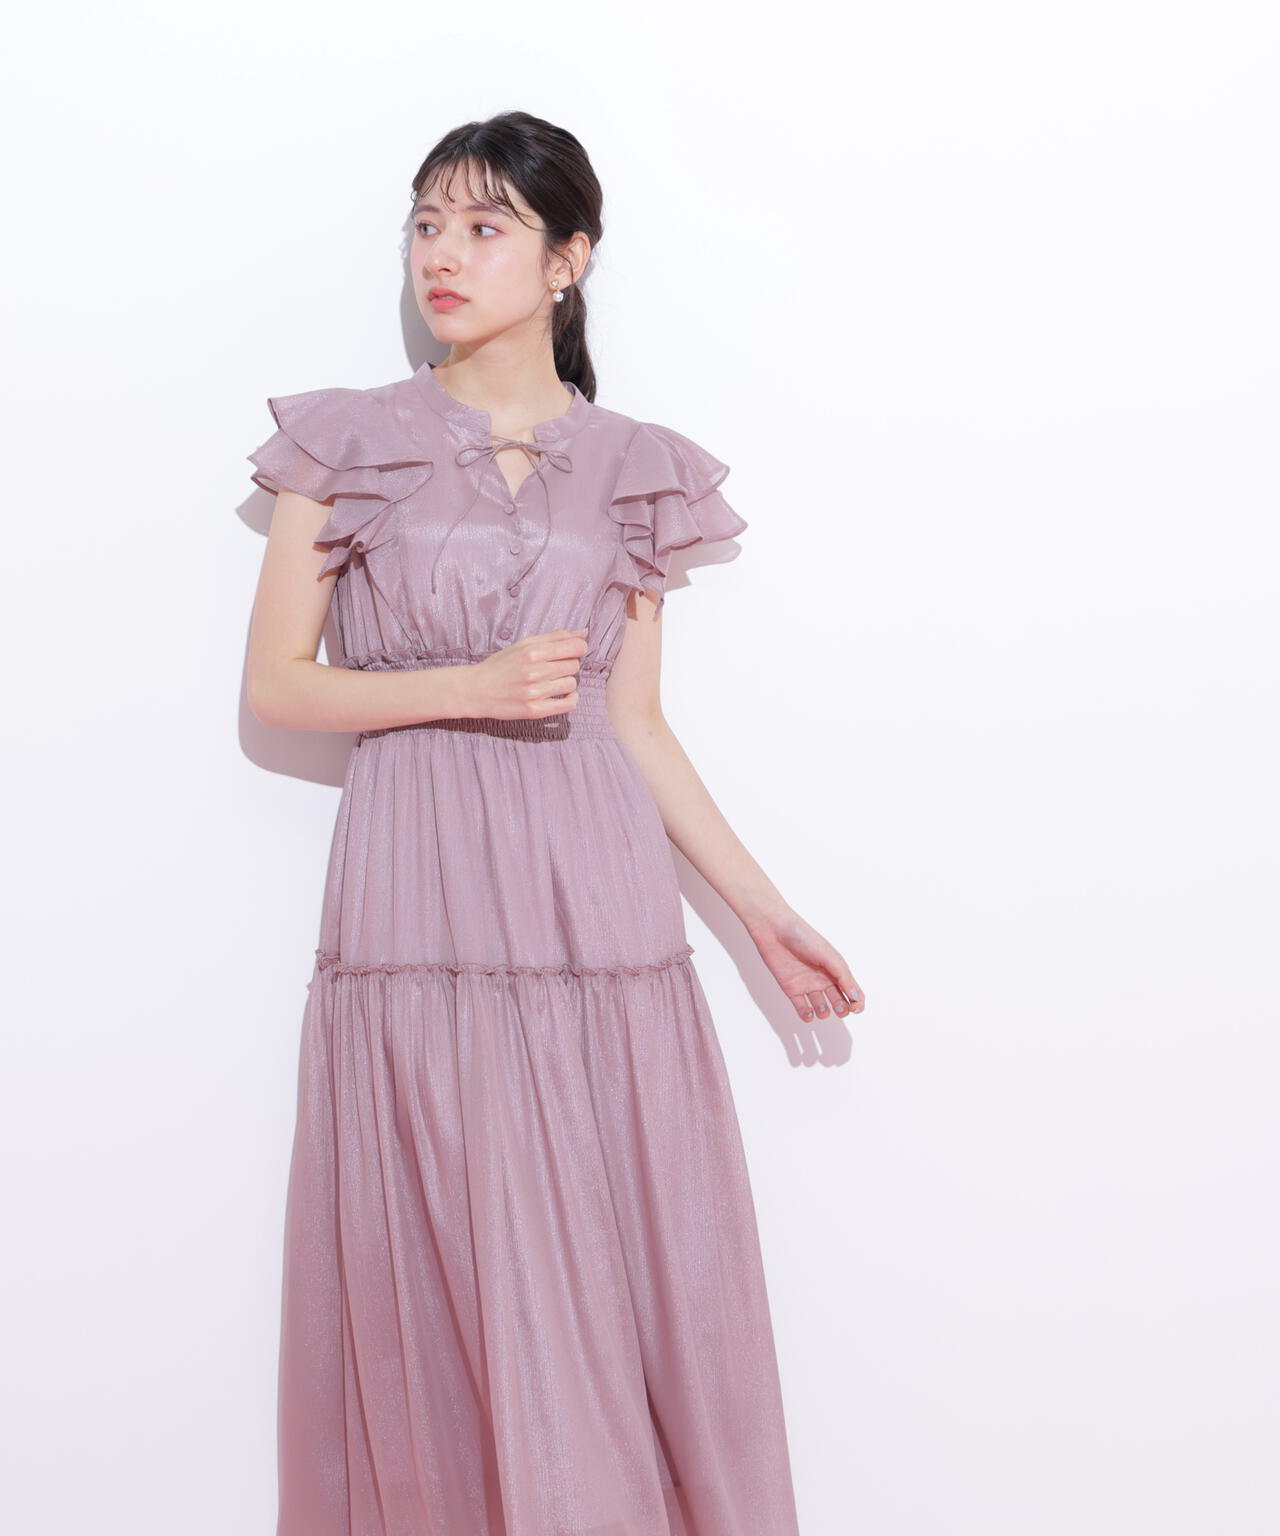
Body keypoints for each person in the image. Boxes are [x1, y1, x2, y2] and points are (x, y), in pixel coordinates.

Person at [243, 109, 864, 1536]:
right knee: (446, 1269)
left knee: (611, 1265)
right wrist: (464, 685)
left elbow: (634, 720)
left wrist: (766, 917)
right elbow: (276, 685)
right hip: (421, 910)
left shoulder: (634, 464)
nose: (443, 256)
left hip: (595, 910)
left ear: (569, 259)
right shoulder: (345, 441)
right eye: (427, 224)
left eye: (486, 226)